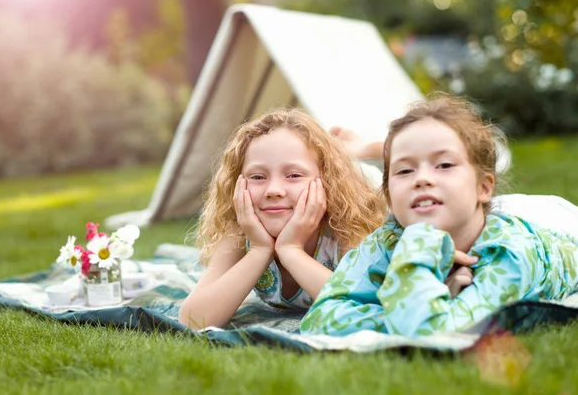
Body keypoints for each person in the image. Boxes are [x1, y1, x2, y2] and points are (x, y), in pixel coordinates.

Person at [300, 96, 578, 338]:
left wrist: (416, 252)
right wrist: (409, 307)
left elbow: (432, 333)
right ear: (390, 200)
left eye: (444, 165)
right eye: (405, 171)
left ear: (483, 187)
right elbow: (320, 319)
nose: (422, 179)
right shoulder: (388, 237)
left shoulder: (510, 254)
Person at [178, 108, 385, 329]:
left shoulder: (346, 227)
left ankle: (361, 149)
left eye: (294, 175)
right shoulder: (240, 232)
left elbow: (363, 310)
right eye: (258, 176)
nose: (274, 190)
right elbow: (193, 320)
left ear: (327, 181)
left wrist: (291, 250)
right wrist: (259, 250)